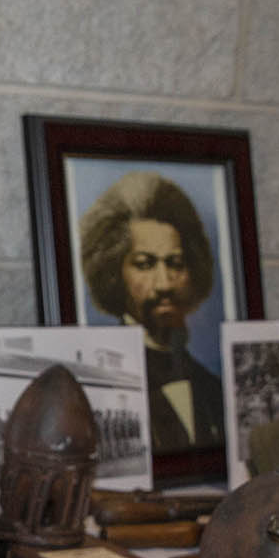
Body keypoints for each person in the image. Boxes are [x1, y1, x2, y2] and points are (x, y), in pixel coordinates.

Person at [79, 171, 225, 453]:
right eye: (145, 264)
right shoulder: (101, 391)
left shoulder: (212, 388)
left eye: (175, 263)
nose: (164, 284)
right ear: (114, 274)